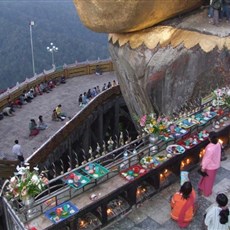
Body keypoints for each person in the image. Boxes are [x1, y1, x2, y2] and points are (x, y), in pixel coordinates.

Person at [198, 131, 221, 197]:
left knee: (208, 180)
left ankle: (206, 192)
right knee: (210, 179)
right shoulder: (218, 144)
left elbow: (207, 159)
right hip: (215, 164)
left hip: (210, 166)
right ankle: (202, 187)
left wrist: (203, 167)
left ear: (210, 138)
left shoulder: (210, 148)